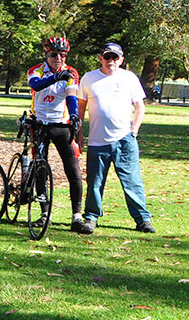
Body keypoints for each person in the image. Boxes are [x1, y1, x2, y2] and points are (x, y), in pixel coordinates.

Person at [73, 43, 154, 234]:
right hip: (97, 141)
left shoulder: (129, 78)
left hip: (124, 140)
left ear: (121, 60)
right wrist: (79, 134)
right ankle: (91, 218)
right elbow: (81, 109)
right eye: (107, 57)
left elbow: (140, 106)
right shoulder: (89, 78)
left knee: (132, 181)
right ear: (101, 58)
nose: (111, 61)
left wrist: (134, 130)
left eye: (115, 58)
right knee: (95, 182)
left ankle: (143, 220)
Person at [26, 36, 84, 230]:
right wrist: (54, 77)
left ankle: (76, 216)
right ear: (46, 54)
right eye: (53, 54)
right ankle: (44, 213)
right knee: (40, 167)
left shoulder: (71, 72)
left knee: (73, 169)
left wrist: (75, 115)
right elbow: (35, 85)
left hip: (61, 125)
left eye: (62, 55)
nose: (58, 58)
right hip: (40, 125)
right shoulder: (36, 70)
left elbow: (71, 96)